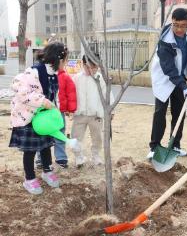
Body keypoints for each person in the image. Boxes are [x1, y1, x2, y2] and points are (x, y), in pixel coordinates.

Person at [9, 42, 68, 195]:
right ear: (58, 59)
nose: (66, 63)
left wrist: (56, 109)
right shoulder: (33, 72)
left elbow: (53, 95)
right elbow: (21, 91)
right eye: (66, 60)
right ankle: (29, 179)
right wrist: (42, 101)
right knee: (30, 150)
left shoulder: (54, 74)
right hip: (29, 118)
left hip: (43, 120)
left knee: (46, 145)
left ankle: (47, 171)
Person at [147, 8, 187, 159]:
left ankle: (175, 145)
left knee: (179, 113)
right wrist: (184, 87)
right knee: (160, 113)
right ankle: (155, 146)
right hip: (165, 78)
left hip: (181, 77)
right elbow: (169, 68)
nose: (179, 29)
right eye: (176, 25)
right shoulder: (164, 40)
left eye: (183, 25)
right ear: (171, 21)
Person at [35, 50, 77, 169]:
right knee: (43, 135)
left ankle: (61, 158)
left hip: (59, 112)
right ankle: (40, 159)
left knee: (59, 134)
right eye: (65, 60)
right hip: (45, 112)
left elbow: (71, 93)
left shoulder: (65, 77)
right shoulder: (42, 74)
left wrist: (70, 109)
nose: (66, 62)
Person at [71, 54, 114, 167]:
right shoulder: (76, 78)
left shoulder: (100, 78)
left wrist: (111, 111)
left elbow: (108, 95)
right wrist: (69, 108)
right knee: (76, 136)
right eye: (88, 67)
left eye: (94, 67)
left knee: (97, 137)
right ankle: (79, 157)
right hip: (79, 114)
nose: (91, 70)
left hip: (96, 115)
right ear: (83, 65)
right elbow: (71, 94)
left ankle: (96, 155)